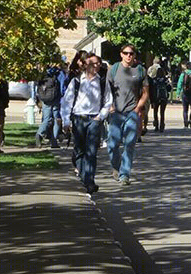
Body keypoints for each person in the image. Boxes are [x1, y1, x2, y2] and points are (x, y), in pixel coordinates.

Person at [61, 54, 112, 194]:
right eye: (93, 63)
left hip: (94, 120)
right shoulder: (76, 81)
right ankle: (83, 177)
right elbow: (67, 102)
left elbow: (108, 101)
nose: (96, 66)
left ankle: (89, 181)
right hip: (78, 118)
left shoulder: (101, 81)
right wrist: (66, 121)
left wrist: (100, 117)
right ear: (85, 65)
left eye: (98, 64)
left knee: (91, 151)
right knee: (79, 150)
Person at [106, 44, 149, 186]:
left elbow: (145, 93)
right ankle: (116, 167)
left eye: (131, 53)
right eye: (126, 53)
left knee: (129, 145)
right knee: (112, 145)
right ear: (121, 54)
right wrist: (110, 106)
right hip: (116, 113)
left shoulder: (140, 70)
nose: (129, 56)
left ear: (135, 55)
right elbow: (108, 90)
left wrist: (138, 108)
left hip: (132, 112)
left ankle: (125, 174)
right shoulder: (114, 70)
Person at [34, 64, 63, 148]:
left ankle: (40, 133)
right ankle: (54, 142)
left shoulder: (43, 74)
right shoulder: (58, 74)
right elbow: (62, 87)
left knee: (47, 119)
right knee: (57, 120)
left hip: (45, 99)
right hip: (56, 99)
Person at [147, 57, 170, 132]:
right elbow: (169, 88)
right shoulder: (165, 80)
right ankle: (162, 125)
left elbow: (151, 87)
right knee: (162, 112)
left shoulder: (154, 79)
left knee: (155, 111)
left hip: (156, 97)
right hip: (163, 97)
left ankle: (156, 124)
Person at [176, 61, 191, 129]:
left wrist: (178, 93)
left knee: (185, 109)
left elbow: (179, 84)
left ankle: (185, 124)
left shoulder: (183, 74)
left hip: (185, 94)